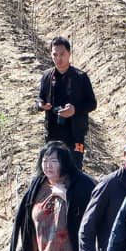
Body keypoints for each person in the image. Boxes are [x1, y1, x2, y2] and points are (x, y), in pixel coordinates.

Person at [37, 36, 97, 166]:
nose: (58, 58)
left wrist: (74, 110)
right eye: (55, 54)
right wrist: (41, 105)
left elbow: (92, 103)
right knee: (51, 171)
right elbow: (40, 98)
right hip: (52, 133)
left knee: (75, 170)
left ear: (69, 53)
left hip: (75, 134)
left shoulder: (81, 77)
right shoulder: (47, 76)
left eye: (62, 54)